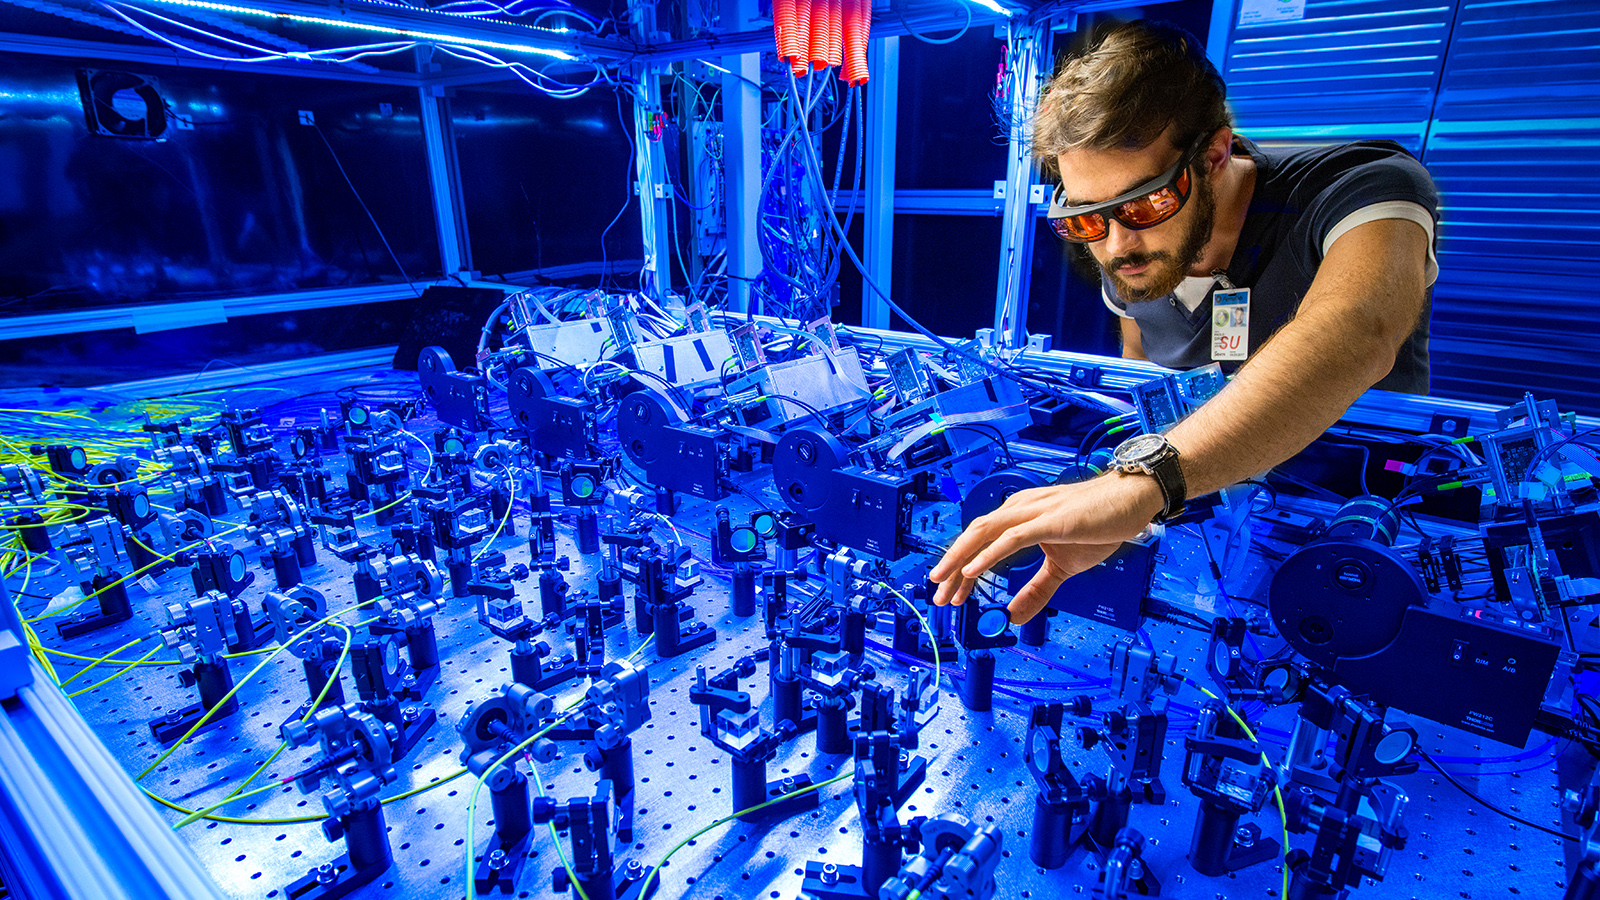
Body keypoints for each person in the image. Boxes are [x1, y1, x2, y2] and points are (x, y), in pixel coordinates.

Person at [930, 20, 1440, 623]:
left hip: (1361, 529)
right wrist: (1124, 499)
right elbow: (1140, 375)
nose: (1116, 245)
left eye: (1145, 204)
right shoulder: (1134, 255)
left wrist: (1143, 484)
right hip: (1202, 512)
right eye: (1087, 219)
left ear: (1215, 155)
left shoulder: (1362, 187)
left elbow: (1356, 331)